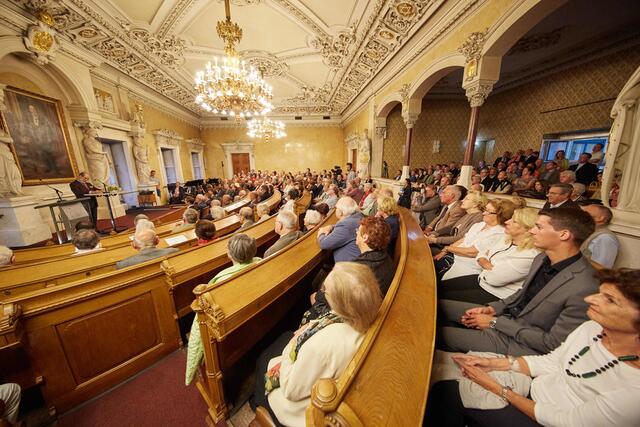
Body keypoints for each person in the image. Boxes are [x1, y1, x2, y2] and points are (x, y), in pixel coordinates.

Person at [426, 268, 640, 427]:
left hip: (549, 420)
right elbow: (552, 362)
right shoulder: (592, 327)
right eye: (599, 293)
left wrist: (496, 387)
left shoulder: (635, 392)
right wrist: (496, 363)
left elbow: (568, 421)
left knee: (446, 393)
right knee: (448, 367)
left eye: (610, 300)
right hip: (534, 390)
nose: (590, 299)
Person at [438, 208, 597, 356]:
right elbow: (521, 294)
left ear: (564, 235)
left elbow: (553, 343)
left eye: (539, 227)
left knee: (434, 334)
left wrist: (495, 323)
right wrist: (493, 309)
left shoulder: (584, 285)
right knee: (436, 305)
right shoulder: (542, 258)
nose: (532, 231)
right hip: (504, 317)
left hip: (518, 342)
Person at [254, 262, 382, 426]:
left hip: (300, 409)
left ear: (340, 301)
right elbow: (332, 318)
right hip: (324, 372)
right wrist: (312, 325)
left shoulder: (322, 346)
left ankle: (258, 406)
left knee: (264, 360)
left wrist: (290, 348)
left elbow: (291, 389)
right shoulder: (363, 311)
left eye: (325, 290)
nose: (323, 291)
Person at [185, 234, 262, 385]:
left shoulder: (220, 282)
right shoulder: (260, 262)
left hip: (229, 327)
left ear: (229, 254)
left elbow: (199, 326)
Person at [438, 207, 540, 304]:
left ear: (528, 229)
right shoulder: (506, 239)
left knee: (439, 298)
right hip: (481, 279)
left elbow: (494, 279)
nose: (507, 222)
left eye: (514, 221)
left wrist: (485, 262)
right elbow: (481, 254)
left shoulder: (529, 254)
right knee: (438, 288)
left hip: (497, 294)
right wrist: (489, 265)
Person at [437, 199, 514, 281]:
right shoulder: (479, 224)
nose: (483, 213)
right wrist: (446, 251)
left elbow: (471, 252)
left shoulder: (499, 233)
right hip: (453, 257)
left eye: (488, 211)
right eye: (485, 209)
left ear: (499, 215)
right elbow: (464, 239)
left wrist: (448, 248)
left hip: (466, 267)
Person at [317, 197, 363, 263]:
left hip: (349, 266)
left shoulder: (346, 225)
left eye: (336, 208)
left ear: (340, 212)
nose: (335, 210)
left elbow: (324, 244)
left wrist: (321, 232)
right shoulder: (358, 216)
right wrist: (331, 226)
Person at [581, 204, 619, 268]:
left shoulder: (605, 238)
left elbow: (602, 268)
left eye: (586, 212)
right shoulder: (588, 232)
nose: (581, 215)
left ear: (601, 218)